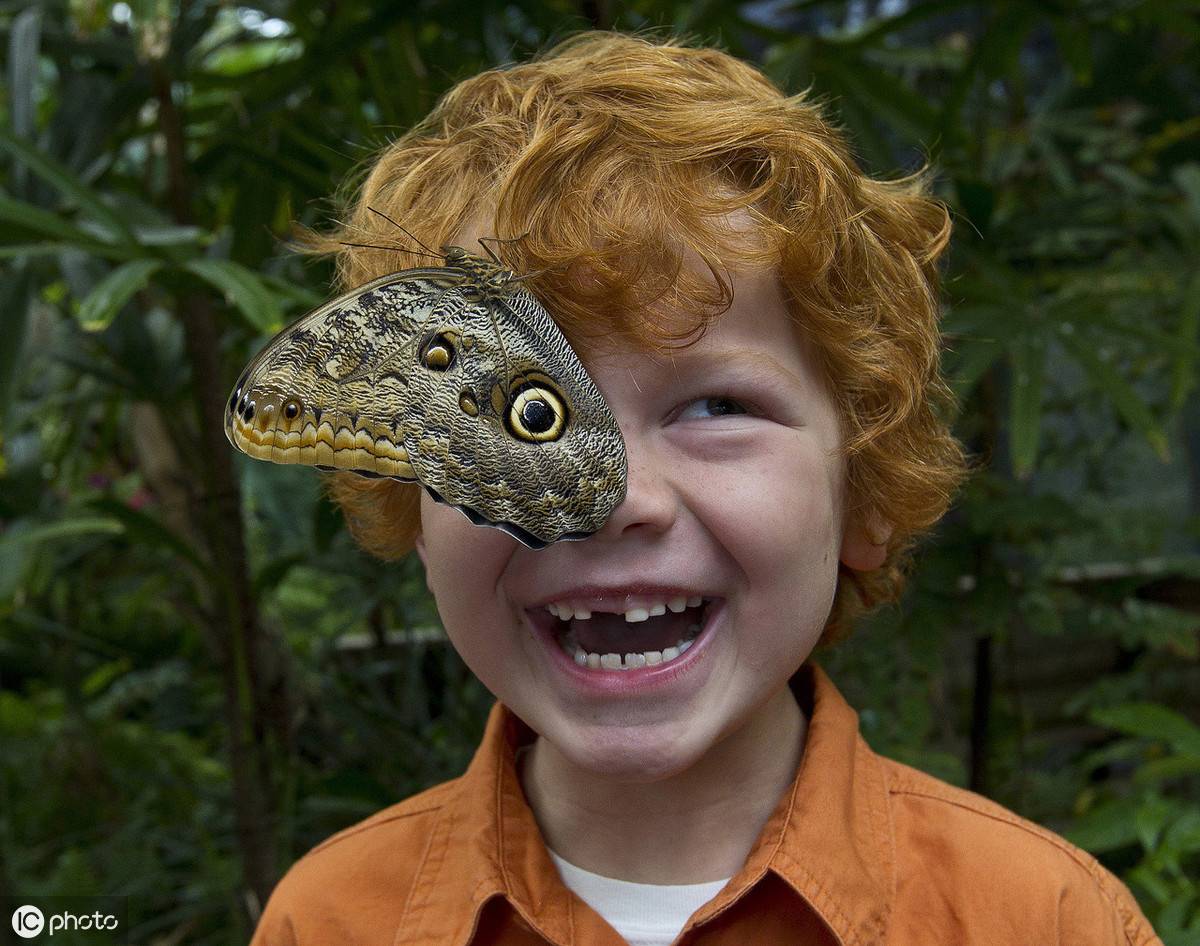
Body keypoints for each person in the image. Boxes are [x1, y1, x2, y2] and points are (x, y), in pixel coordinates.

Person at [250, 30, 1162, 946]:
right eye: (514, 422)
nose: (610, 501)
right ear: (415, 504)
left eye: (715, 406)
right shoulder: (327, 922)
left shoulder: (1043, 919)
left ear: (866, 490)